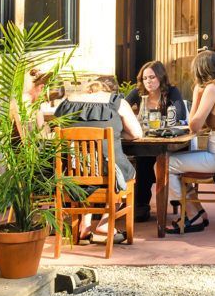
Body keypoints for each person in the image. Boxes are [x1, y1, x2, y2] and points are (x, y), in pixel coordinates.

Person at [50, 74, 144, 243]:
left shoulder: (67, 103)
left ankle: (85, 226)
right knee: (128, 172)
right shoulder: (117, 102)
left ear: (90, 89)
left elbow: (56, 128)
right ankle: (105, 223)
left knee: (85, 170)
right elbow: (137, 133)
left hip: (72, 172)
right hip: (109, 171)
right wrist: (116, 132)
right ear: (111, 91)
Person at [166, 50, 215, 234]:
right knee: (176, 163)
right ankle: (198, 210)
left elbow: (194, 125)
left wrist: (196, 94)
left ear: (200, 71)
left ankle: (191, 215)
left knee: (165, 164)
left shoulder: (211, 89)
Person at [125, 60, 188, 221]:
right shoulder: (138, 93)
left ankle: (145, 205)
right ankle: (141, 207)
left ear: (160, 77)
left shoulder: (171, 92)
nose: (148, 82)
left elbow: (179, 115)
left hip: (168, 143)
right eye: (145, 78)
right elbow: (121, 106)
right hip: (146, 141)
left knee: (148, 160)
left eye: (152, 77)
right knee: (143, 159)